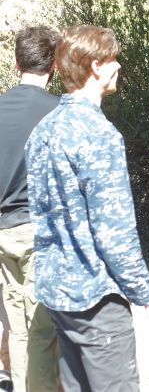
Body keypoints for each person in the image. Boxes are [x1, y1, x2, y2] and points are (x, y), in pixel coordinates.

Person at [25, 25, 149, 392]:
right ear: (95, 67)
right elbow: (114, 235)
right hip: (95, 301)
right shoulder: (98, 135)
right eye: (112, 59)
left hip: (57, 295)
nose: (118, 67)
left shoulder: (44, 130)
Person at [0, 27, 61, 392]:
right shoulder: (58, 111)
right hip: (39, 231)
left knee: (18, 327)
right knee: (44, 327)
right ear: (54, 65)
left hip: (3, 231)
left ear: (16, 62)